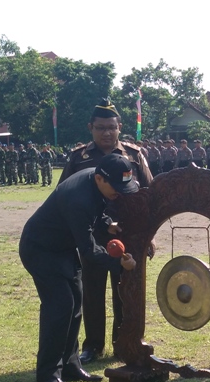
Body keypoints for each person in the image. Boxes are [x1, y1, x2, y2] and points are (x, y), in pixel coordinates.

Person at [20, 154, 138, 382]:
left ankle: (71, 365)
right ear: (99, 179)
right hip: (40, 249)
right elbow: (88, 249)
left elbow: (95, 212)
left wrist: (107, 224)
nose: (119, 193)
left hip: (62, 248)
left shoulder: (97, 179)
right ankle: (47, 374)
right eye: (116, 187)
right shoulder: (79, 199)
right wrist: (119, 264)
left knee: (75, 304)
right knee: (60, 306)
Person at [58, 99, 154, 364]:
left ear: (120, 127)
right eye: (100, 128)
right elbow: (63, 195)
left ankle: (123, 342)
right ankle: (93, 345)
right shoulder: (79, 158)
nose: (107, 133)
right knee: (92, 291)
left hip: (129, 235)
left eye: (111, 127)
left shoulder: (134, 155)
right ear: (91, 128)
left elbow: (150, 195)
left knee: (127, 290)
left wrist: (150, 237)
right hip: (93, 236)